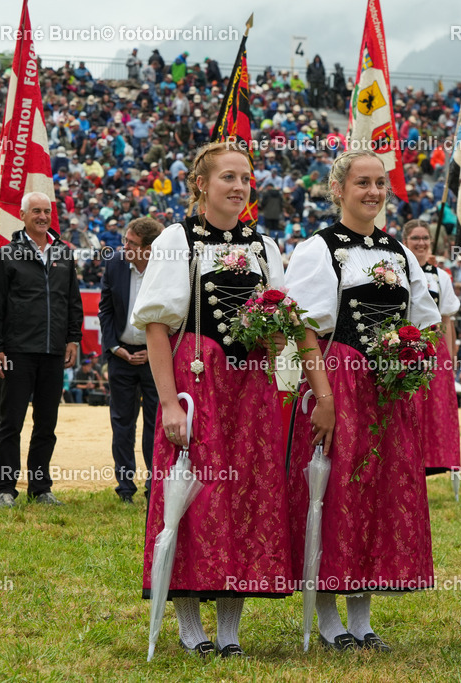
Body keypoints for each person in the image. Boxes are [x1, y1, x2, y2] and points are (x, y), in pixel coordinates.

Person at [131, 140, 290, 657]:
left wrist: (275, 337)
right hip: (198, 386)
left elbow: (282, 328)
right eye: (228, 177)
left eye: (245, 178)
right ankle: (188, 625)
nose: (239, 186)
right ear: (201, 183)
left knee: (244, 496)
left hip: (251, 390)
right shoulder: (178, 239)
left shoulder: (264, 247)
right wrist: (168, 404)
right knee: (193, 496)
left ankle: (229, 629)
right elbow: (156, 326)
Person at [284, 151, 441, 651]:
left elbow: (425, 323)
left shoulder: (399, 252)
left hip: (387, 391)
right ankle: (328, 617)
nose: (373, 192)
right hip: (340, 382)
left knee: (376, 495)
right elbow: (305, 329)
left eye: (380, 184)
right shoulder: (320, 249)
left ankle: (362, 617)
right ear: (338, 189)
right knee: (336, 493)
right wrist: (323, 397)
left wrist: (411, 357)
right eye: (362, 183)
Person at [0, 192, 83, 507]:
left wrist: (73, 339)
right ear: (23, 215)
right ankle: (4, 488)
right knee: (10, 422)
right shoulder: (6, 254)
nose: (42, 216)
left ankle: (40, 488)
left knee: (46, 424)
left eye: (46, 211)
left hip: (53, 351)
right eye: (36, 211)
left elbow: (72, 301)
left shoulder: (64, 254)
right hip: (17, 351)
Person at [98, 216, 163, 504]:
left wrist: (156, 350)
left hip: (156, 358)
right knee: (122, 424)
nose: (124, 246)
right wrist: (113, 347)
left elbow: (178, 316)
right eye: (125, 240)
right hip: (121, 356)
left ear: (148, 249)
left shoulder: (167, 269)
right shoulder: (115, 263)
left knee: (155, 424)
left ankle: (154, 485)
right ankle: (125, 488)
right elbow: (105, 309)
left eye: (131, 243)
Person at [402, 219, 461, 476]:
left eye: (425, 238)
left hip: (434, 351)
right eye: (416, 238)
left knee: (434, 410)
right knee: (408, 407)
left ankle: (432, 462)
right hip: (404, 348)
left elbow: (446, 321)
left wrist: (450, 360)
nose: (421, 243)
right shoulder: (396, 272)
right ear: (405, 241)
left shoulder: (441, 277)